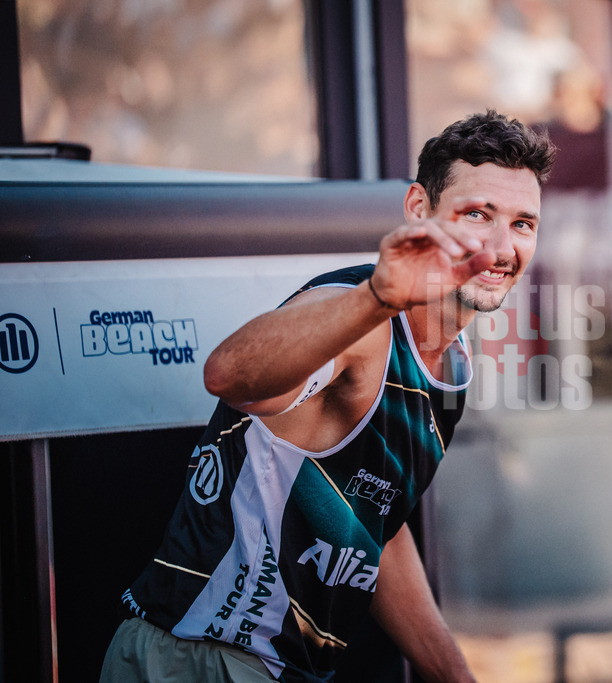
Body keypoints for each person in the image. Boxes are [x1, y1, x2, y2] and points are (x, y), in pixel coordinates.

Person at [99, 110, 557, 682]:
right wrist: (377, 298)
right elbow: (229, 374)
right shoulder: (360, 320)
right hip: (200, 657)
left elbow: (375, 528)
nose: (499, 247)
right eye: (477, 215)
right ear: (420, 209)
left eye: (522, 224)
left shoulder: (452, 364)